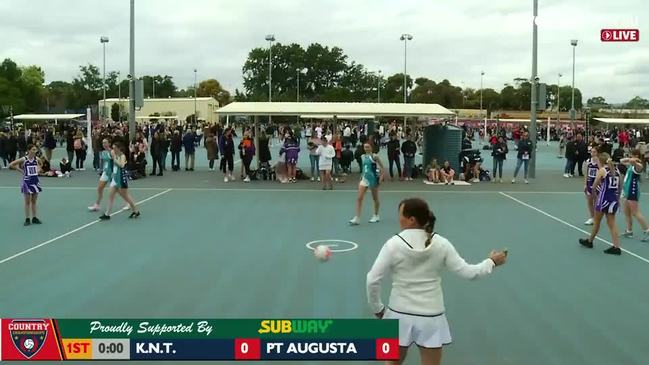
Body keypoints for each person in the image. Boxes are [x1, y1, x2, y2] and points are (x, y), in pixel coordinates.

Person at [366, 198, 507, 365]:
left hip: (398, 314)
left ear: (411, 219)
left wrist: (378, 309)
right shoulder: (442, 244)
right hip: (431, 318)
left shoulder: (393, 244)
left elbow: (372, 280)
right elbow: (469, 273)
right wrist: (491, 262)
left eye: (400, 215)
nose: (398, 219)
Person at [579, 153, 622, 255]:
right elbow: (619, 186)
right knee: (612, 223)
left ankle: (590, 241)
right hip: (613, 199)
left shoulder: (603, 170)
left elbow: (594, 186)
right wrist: (618, 198)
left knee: (597, 221)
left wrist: (595, 195)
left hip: (603, 199)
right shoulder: (617, 171)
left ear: (601, 161)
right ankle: (616, 246)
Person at [99, 142, 140, 220]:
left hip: (121, 179)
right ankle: (107, 214)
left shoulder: (122, 156)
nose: (113, 149)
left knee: (126, 196)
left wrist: (115, 159)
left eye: (114, 148)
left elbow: (122, 165)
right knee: (110, 196)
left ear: (118, 148)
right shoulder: (114, 155)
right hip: (115, 178)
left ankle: (136, 211)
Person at [349, 143, 385, 225]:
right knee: (359, 198)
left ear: (371, 148)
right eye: (365, 147)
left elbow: (382, 167)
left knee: (375, 198)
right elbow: (364, 168)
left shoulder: (374, 156)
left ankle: (376, 215)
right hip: (364, 179)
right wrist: (361, 176)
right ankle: (357, 217)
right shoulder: (362, 157)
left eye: (368, 147)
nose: (366, 148)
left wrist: (381, 178)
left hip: (373, 179)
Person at [9, 144, 44, 226]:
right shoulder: (24, 159)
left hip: (35, 181)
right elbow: (11, 165)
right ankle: (27, 219)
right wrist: (21, 171)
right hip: (27, 182)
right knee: (27, 201)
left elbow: (41, 164)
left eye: (35, 150)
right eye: (33, 149)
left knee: (34, 201)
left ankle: (34, 217)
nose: (35, 151)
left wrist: (38, 169)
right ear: (29, 150)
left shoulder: (37, 159)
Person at [620, 150, 649, 241]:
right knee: (627, 212)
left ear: (636, 156)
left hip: (632, 191)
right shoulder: (631, 166)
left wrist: (635, 159)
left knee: (635, 212)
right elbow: (622, 161)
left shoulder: (638, 167)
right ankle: (629, 231)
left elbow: (634, 163)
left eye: (631, 155)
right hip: (626, 191)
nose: (629, 157)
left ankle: (647, 230)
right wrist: (631, 158)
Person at [88, 139, 113, 212]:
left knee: (120, 190)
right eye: (103, 143)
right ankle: (97, 205)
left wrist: (113, 172)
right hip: (105, 172)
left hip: (112, 173)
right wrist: (101, 170)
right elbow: (102, 162)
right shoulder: (103, 152)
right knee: (100, 188)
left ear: (109, 143)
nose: (104, 144)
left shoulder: (112, 152)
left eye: (105, 143)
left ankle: (128, 203)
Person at [583, 146, 599, 225]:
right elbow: (586, 173)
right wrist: (585, 184)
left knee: (596, 201)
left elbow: (602, 171)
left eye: (594, 152)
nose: (592, 153)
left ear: (597, 153)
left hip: (598, 184)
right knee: (589, 200)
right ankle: (592, 217)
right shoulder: (588, 161)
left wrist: (598, 162)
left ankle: (597, 217)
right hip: (590, 182)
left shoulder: (600, 162)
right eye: (591, 152)